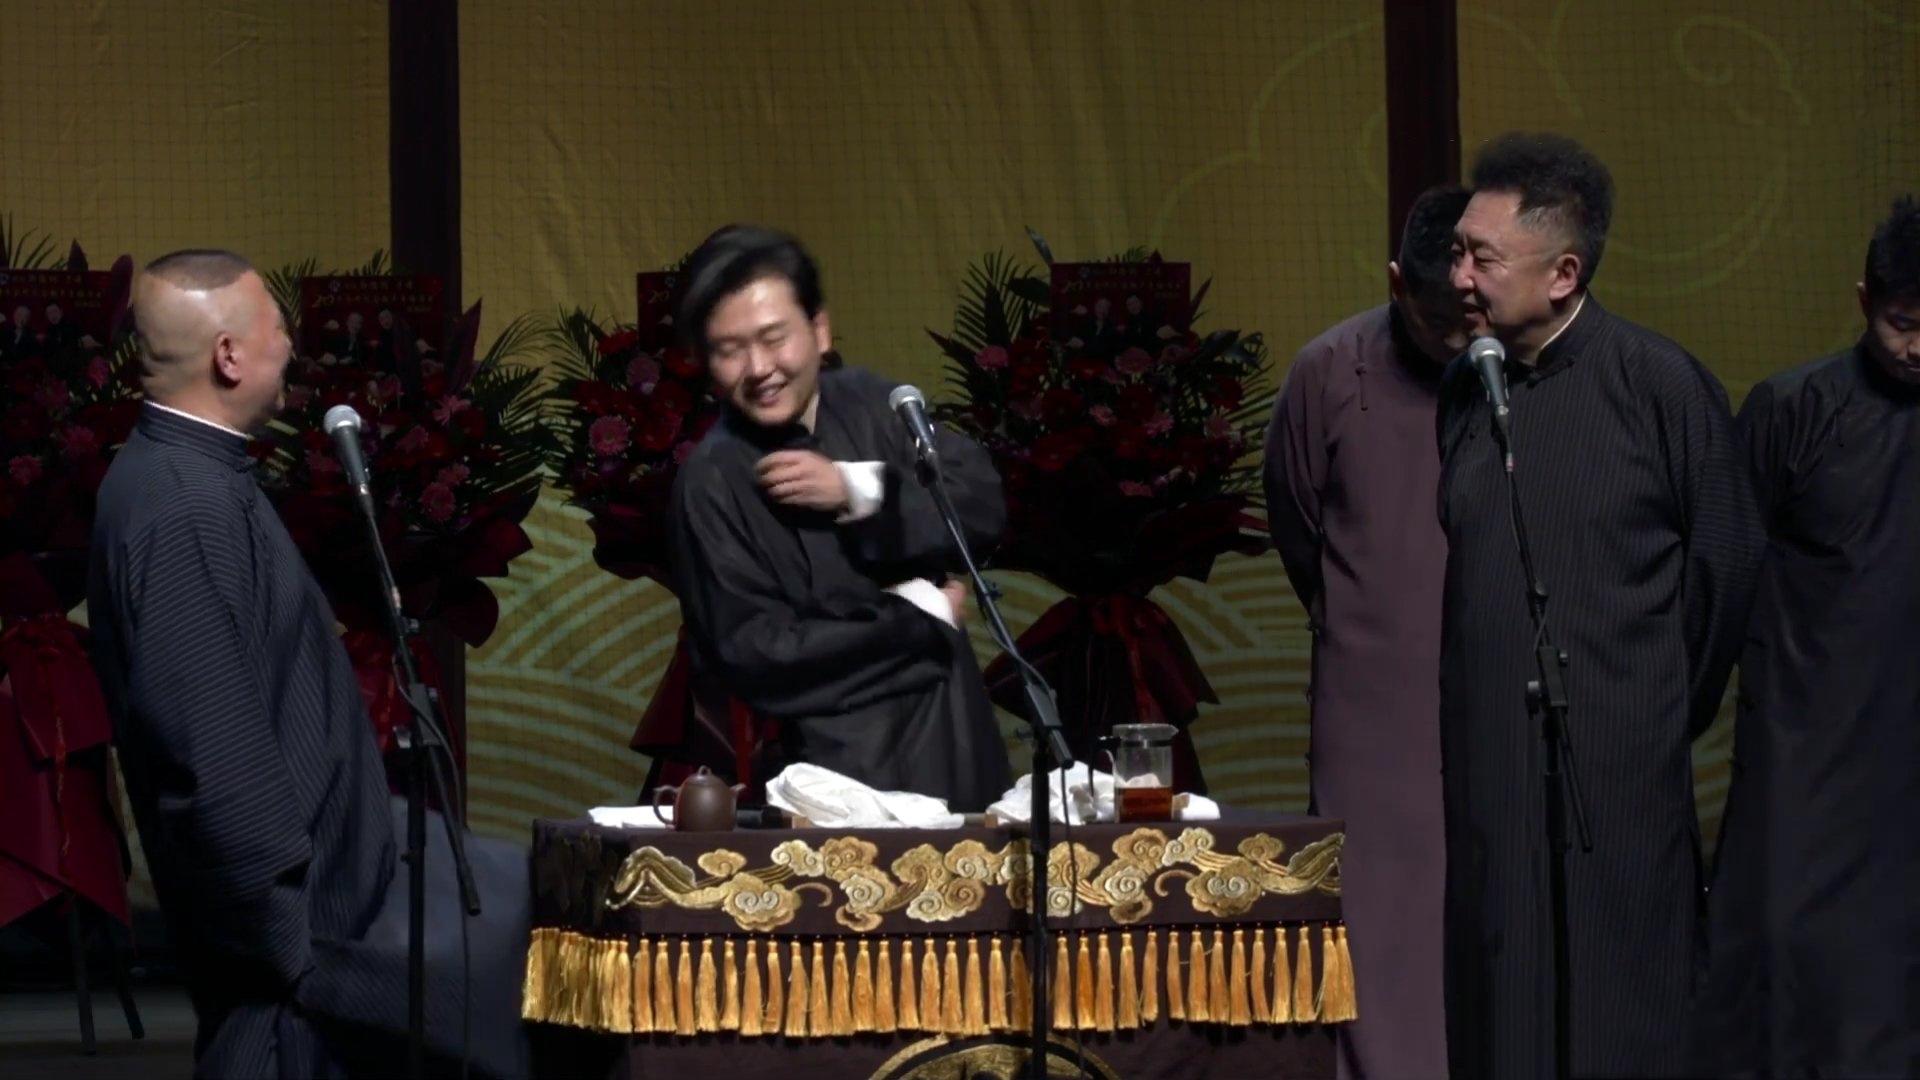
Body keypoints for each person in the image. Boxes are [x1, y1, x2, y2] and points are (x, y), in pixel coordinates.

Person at [87, 250, 529, 1078]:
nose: (291, 344)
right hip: (295, 971)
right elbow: (212, 764)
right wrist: (291, 952)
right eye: (278, 326)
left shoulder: (194, 476)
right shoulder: (183, 506)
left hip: (324, 935)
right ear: (228, 355)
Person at [1435, 133, 1764, 1078]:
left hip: (1621, 760)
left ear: (1564, 273)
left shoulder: (1659, 384)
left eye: (1482, 257)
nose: (1459, 278)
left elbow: (1727, 566)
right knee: (1503, 993)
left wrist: (1651, 703)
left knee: (1624, 997)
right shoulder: (1468, 388)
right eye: (1458, 253)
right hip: (1492, 759)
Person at [1691, 196, 1920, 1077]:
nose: (1918, 346)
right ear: (1865, 301)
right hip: (1807, 735)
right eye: (1904, 322)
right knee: (1785, 951)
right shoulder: (1792, 409)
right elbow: (1723, 573)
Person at [668, 225, 1012, 810]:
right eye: (730, 350)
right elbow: (753, 650)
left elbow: (981, 504)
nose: (759, 367)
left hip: (954, 735)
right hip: (827, 772)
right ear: (705, 361)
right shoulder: (711, 482)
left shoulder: (876, 404)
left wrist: (860, 489)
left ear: (819, 330)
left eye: (774, 338)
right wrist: (920, 616)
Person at [1265, 183, 1470, 1079]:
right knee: (1376, 914)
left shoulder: (1528, 372)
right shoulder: (1328, 372)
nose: (1458, 339)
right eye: (1437, 321)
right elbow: (1297, 522)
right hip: (1374, 695)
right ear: (1396, 285)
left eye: (1470, 316)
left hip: (1502, 686)